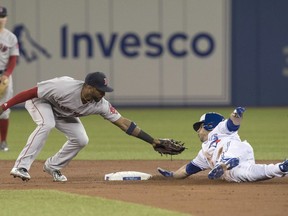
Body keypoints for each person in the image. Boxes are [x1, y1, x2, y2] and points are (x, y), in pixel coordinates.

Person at [0, 71, 165, 182]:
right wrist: (5, 105)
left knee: (81, 139)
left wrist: (152, 141)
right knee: (47, 123)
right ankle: (21, 166)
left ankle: (53, 166)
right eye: (100, 90)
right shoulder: (63, 87)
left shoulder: (100, 104)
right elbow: (29, 93)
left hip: (63, 112)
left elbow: (123, 123)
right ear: (88, 87)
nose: (103, 94)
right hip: (41, 102)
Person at [158, 107, 288, 182]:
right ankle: (281, 168)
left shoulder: (219, 130)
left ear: (208, 125)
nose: (198, 131)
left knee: (225, 150)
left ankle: (226, 161)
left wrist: (236, 115)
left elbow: (232, 125)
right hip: (235, 166)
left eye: (200, 127)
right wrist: (172, 175)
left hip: (237, 150)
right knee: (245, 175)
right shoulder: (203, 154)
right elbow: (187, 170)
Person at [0, 6, 19, 151]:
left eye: (3, 16)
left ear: (6, 18)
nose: (1, 19)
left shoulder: (11, 37)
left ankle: (3, 142)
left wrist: (7, 74)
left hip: (4, 75)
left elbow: (13, 59)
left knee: (4, 109)